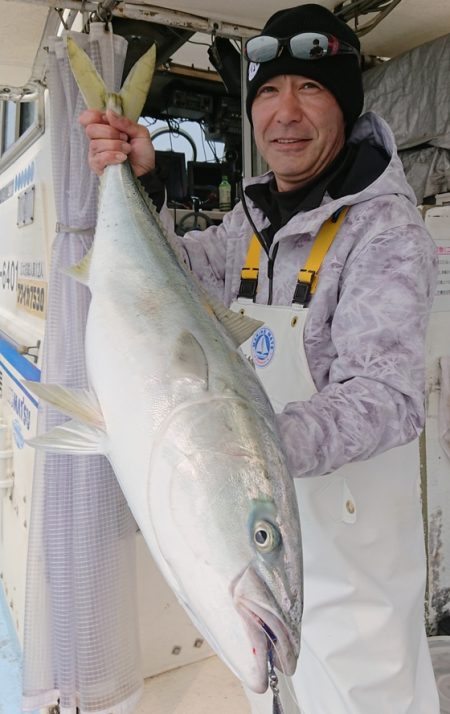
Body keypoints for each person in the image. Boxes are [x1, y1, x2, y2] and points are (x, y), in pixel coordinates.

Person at [79, 4, 440, 713]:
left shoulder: (386, 232)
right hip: (251, 531)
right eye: (269, 92)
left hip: (351, 564)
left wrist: (248, 449)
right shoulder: (248, 222)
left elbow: (387, 395)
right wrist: (137, 179)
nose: (285, 113)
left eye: (310, 88)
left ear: (346, 100)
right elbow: (167, 284)